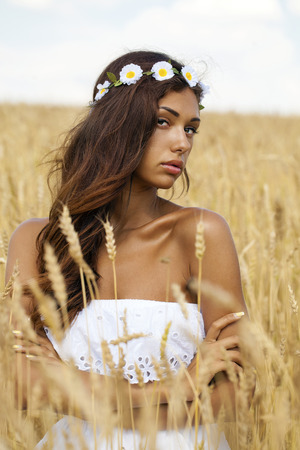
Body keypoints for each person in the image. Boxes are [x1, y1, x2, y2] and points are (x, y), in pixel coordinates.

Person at [5, 50, 248, 449]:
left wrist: (82, 392)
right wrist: (174, 386)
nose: (182, 142)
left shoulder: (201, 233)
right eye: (163, 122)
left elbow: (238, 389)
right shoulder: (37, 242)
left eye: (191, 128)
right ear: (115, 125)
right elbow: (20, 384)